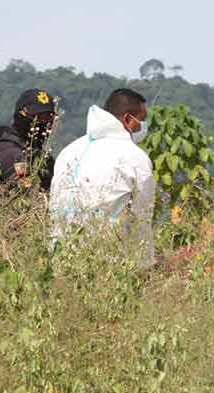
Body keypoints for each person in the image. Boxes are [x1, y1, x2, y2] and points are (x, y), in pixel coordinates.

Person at [49, 88, 155, 268]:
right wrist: (145, 264)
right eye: (141, 119)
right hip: (105, 259)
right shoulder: (133, 156)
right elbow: (142, 217)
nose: (143, 126)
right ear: (128, 119)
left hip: (59, 255)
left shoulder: (70, 150)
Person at [0, 88, 57, 190]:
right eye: (38, 117)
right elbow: (26, 195)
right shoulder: (10, 152)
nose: (44, 122)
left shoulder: (40, 155)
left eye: (48, 118)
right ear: (21, 113)